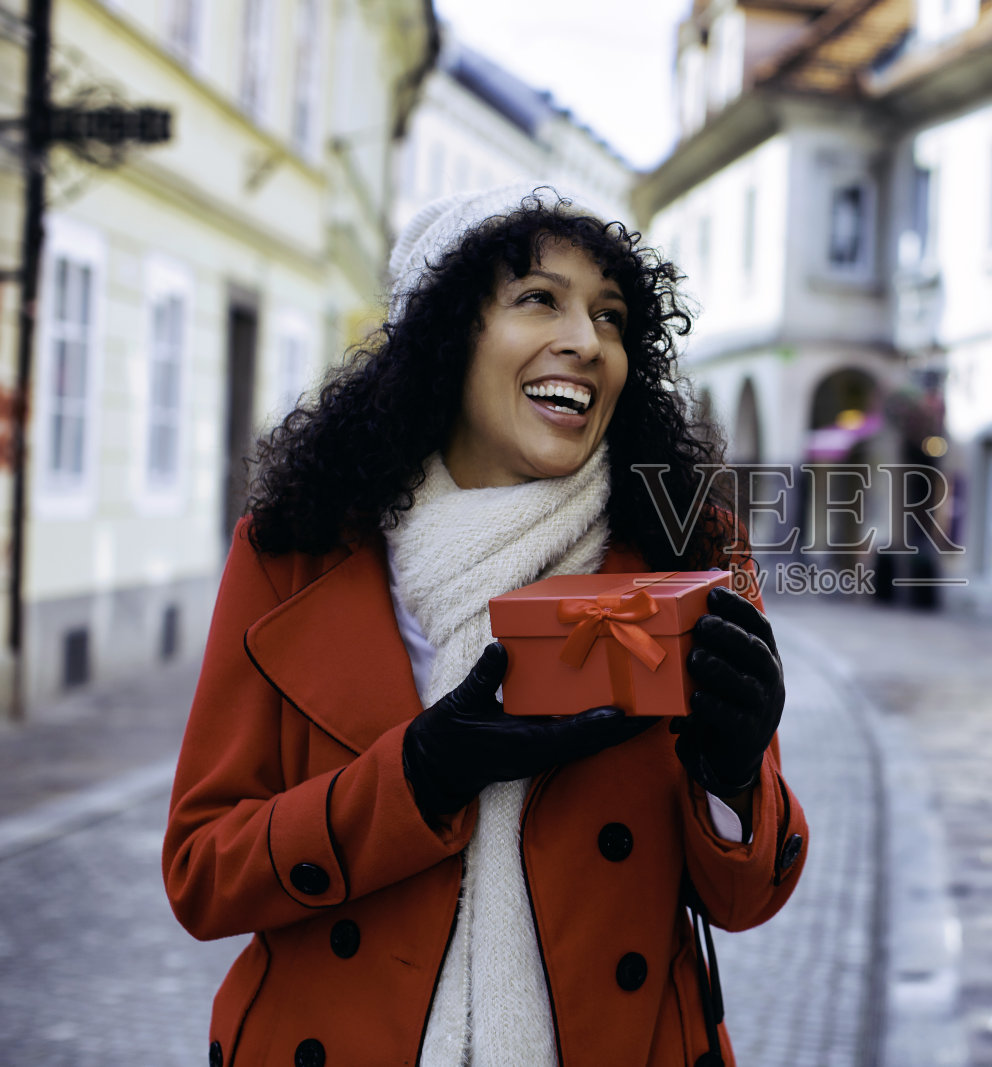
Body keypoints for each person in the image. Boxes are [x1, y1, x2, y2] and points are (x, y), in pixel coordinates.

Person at [162, 186, 807, 1067]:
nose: (587, 341)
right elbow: (202, 873)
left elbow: (742, 900)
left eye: (611, 316)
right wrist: (418, 776)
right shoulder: (292, 554)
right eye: (539, 298)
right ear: (445, 338)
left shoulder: (688, 550)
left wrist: (733, 776)